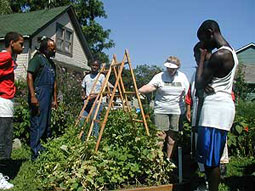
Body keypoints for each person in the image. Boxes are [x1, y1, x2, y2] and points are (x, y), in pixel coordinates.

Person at [195, 20, 238, 191]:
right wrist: (205, 79)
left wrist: (202, 59)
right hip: (218, 107)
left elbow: (199, 84)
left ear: (211, 31)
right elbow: (207, 81)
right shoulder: (231, 52)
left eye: (204, 39)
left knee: (211, 160)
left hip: (216, 111)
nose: (204, 45)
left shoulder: (220, 55)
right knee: (209, 157)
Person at [139, 56, 189, 161]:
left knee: (172, 138)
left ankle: (169, 160)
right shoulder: (160, 76)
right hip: (161, 109)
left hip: (177, 110)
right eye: (168, 68)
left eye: (173, 68)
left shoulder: (182, 77)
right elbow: (151, 86)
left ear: (178, 68)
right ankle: (157, 161)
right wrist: (140, 90)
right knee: (160, 136)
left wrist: (189, 107)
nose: (170, 70)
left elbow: (188, 93)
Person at [27, 37, 57, 161]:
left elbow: (54, 82)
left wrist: (54, 99)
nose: (54, 50)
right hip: (39, 94)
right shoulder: (37, 60)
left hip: (48, 96)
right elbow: (29, 77)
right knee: (38, 124)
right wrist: (33, 96)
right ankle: (35, 153)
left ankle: (43, 150)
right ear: (45, 49)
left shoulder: (51, 63)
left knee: (47, 125)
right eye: (52, 48)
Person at [0, 32, 24, 190]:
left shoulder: (9, 59)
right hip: (2, 102)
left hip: (6, 101)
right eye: (20, 44)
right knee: (3, 141)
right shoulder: (5, 57)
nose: (22, 46)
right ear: (11, 43)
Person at [81, 60, 105, 137]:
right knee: (82, 121)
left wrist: (93, 96)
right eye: (93, 65)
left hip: (96, 103)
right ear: (90, 66)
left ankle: (94, 141)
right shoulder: (87, 77)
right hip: (87, 103)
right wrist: (83, 96)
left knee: (94, 122)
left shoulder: (101, 77)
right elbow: (83, 88)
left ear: (98, 67)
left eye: (96, 65)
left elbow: (103, 91)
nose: (94, 67)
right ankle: (82, 139)